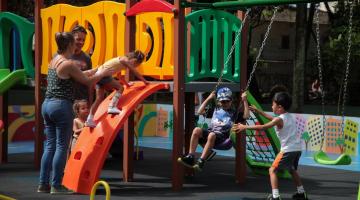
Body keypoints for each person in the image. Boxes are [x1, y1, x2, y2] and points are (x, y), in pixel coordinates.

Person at [37, 32, 112, 195]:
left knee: (50, 145)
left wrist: (96, 69)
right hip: (61, 105)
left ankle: (43, 183)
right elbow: (88, 82)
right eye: (75, 43)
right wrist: (103, 73)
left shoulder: (55, 60)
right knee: (62, 146)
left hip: (47, 104)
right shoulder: (69, 63)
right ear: (70, 45)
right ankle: (56, 185)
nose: (77, 46)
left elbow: (80, 75)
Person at [232, 92, 307, 200]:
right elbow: (272, 119)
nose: (272, 106)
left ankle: (276, 196)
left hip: (287, 150)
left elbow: (263, 127)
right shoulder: (288, 116)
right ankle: (301, 193)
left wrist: (245, 127)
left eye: (273, 104)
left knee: (272, 170)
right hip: (297, 149)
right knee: (291, 169)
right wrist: (259, 112)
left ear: (279, 107)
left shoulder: (279, 119)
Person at [178, 87, 249, 172]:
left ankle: (201, 161)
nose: (225, 103)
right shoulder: (215, 110)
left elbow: (246, 116)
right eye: (223, 101)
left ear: (231, 101)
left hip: (222, 138)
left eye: (227, 101)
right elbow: (200, 112)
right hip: (211, 133)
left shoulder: (234, 113)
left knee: (212, 134)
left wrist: (245, 100)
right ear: (219, 101)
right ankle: (190, 156)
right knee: (196, 129)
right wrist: (209, 98)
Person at [85, 50, 149, 128]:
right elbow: (134, 71)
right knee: (120, 88)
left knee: (99, 98)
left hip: (98, 75)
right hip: (103, 76)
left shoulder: (121, 62)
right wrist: (144, 81)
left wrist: (127, 84)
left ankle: (89, 119)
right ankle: (111, 107)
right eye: (136, 64)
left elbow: (119, 76)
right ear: (134, 60)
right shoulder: (124, 60)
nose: (135, 66)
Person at [71, 25, 94, 103]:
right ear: (71, 38)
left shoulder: (87, 58)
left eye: (83, 40)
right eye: (78, 39)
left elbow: (90, 83)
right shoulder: (63, 56)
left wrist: (90, 103)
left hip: (82, 101)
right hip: (67, 101)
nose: (81, 42)